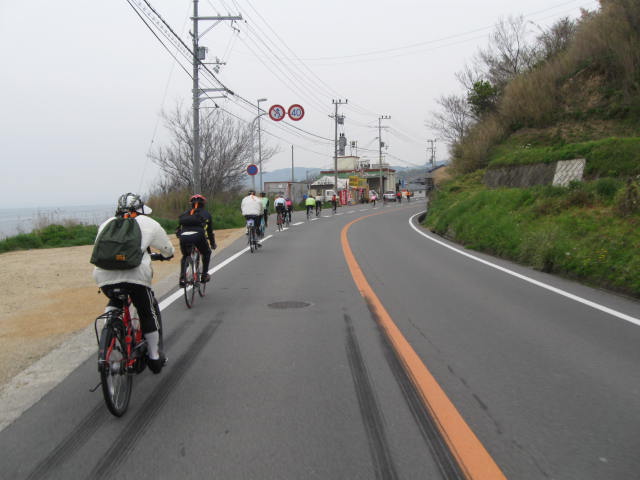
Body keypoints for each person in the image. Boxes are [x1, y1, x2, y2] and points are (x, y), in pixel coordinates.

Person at [92, 193, 174, 374]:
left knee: (115, 299)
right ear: (140, 209)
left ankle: (110, 328)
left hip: (104, 275)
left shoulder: (106, 224)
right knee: (146, 312)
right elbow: (167, 249)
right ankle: (154, 356)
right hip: (136, 277)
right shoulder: (149, 223)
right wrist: (167, 255)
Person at [176, 194, 216, 288]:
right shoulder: (207, 214)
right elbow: (209, 232)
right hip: (198, 236)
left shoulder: (184, 214)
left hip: (184, 237)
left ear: (191, 204)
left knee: (185, 256)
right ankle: (204, 275)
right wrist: (212, 243)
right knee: (206, 252)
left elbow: (178, 230)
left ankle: (182, 277)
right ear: (203, 204)